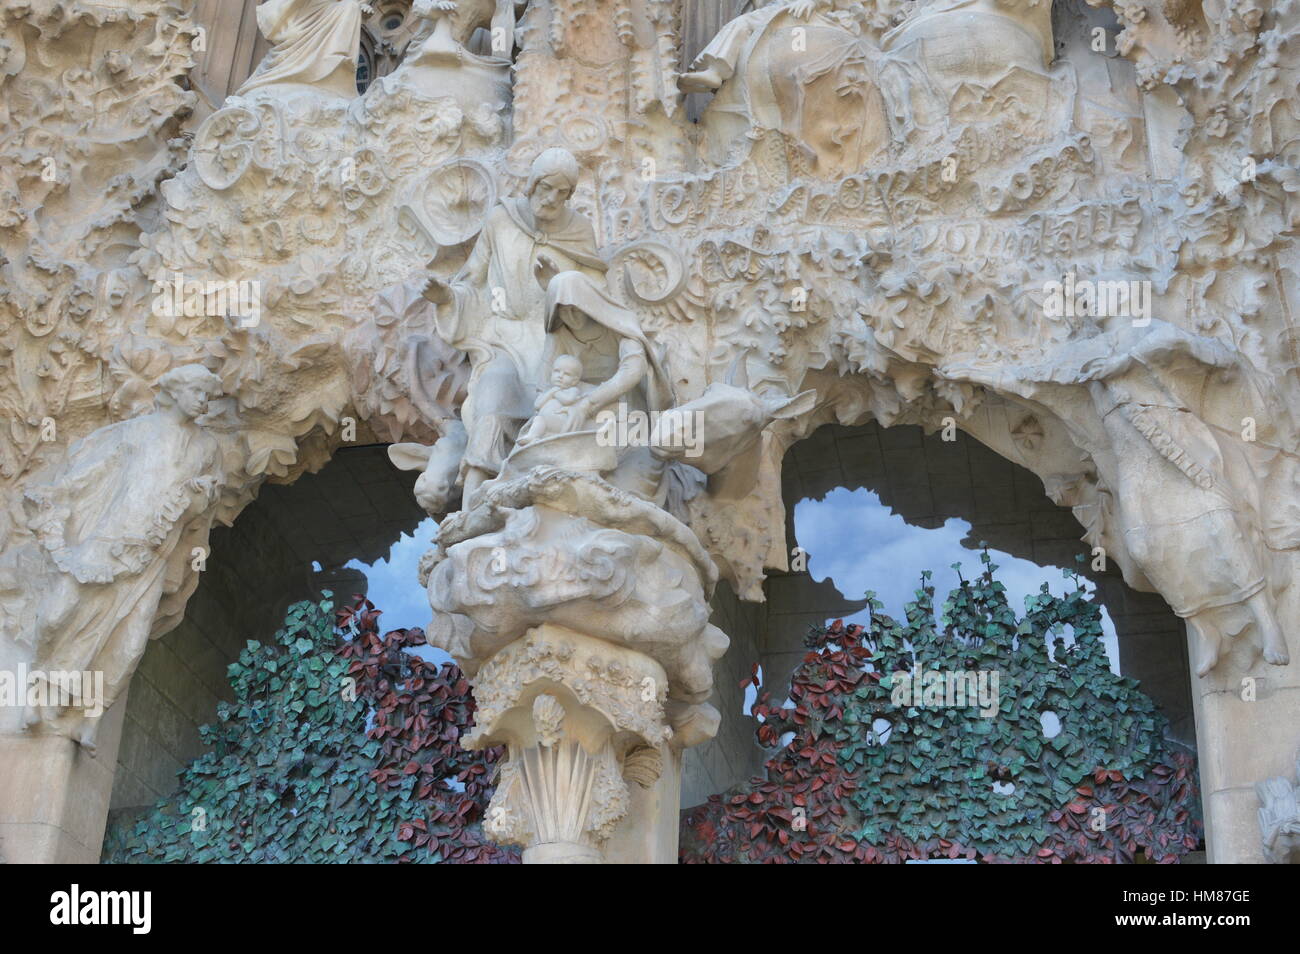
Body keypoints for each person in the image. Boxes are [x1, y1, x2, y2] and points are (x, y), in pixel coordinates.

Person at [22, 365, 225, 752]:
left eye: (208, 396)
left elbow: (203, 511)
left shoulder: (206, 448)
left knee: (129, 644)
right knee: (56, 615)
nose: (204, 401)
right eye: (198, 391)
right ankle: (35, 692)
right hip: (104, 540)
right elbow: (92, 473)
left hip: (151, 557)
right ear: (176, 390)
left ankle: (90, 715)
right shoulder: (134, 431)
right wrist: (56, 497)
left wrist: (204, 494)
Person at [421, 147, 606, 505]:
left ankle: (544, 503)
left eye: (562, 193)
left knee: (552, 408)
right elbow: (473, 281)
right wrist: (446, 297)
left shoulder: (579, 231)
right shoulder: (500, 220)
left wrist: (560, 284)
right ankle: (473, 504)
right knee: (493, 395)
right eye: (546, 187)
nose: (551, 199)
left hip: (555, 340)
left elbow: (596, 295)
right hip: (503, 338)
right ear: (532, 183)